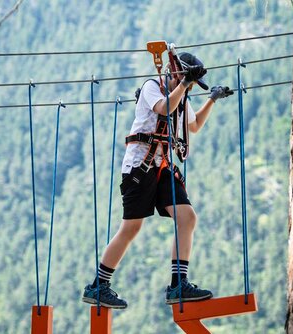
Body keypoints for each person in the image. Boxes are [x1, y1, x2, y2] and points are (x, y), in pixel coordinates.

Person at [82, 52, 233, 309]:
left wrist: (211, 101)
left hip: (161, 167)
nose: (191, 86)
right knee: (131, 228)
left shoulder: (181, 97)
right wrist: (184, 85)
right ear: (177, 73)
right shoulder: (153, 88)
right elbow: (164, 108)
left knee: (187, 218)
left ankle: (178, 284)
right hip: (139, 168)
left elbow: (193, 125)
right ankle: (98, 285)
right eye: (190, 80)